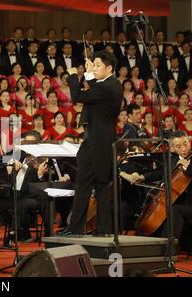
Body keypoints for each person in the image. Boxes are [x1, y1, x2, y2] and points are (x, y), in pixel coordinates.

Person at [64, 51, 123, 236]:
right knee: (100, 187)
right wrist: (90, 73)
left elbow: (78, 96)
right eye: (94, 64)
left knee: (86, 185)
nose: (94, 68)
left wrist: (74, 75)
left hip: (97, 143)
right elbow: (94, 86)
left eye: (98, 65)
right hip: (99, 141)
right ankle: (103, 231)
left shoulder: (108, 86)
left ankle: (75, 230)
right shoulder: (108, 84)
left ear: (109, 68)